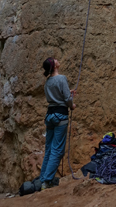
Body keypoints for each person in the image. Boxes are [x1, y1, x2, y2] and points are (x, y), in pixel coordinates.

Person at [39, 57, 76, 189]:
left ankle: (42, 178)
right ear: (54, 66)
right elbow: (66, 98)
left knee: (49, 148)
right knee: (57, 150)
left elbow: (55, 96)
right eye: (55, 60)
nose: (57, 60)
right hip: (60, 115)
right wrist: (72, 105)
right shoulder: (62, 79)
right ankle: (47, 181)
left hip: (49, 116)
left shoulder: (48, 81)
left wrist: (68, 93)